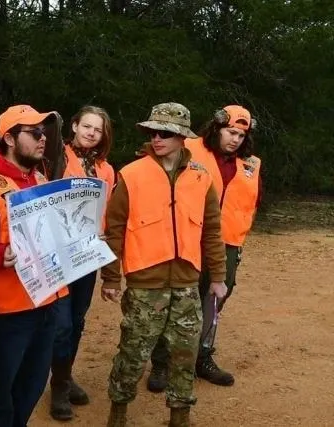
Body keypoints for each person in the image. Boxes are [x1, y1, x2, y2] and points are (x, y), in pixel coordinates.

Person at [100, 103, 228, 427]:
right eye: (152, 132)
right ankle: (118, 414)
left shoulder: (201, 177)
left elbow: (212, 230)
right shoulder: (131, 175)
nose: (157, 138)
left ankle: (180, 418)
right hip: (144, 285)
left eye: (165, 133)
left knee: (185, 354)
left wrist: (218, 277)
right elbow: (113, 230)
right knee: (132, 354)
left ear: (182, 137)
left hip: (186, 283)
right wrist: (111, 278)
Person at [0, 104, 68, 427]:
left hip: (45, 301)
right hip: (5, 312)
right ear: (8, 138)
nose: (42, 140)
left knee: (32, 386)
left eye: (44, 133)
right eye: (34, 133)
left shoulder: (38, 177)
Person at [148, 105, 262, 390]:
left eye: (240, 135)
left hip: (228, 244)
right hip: (190, 237)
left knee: (213, 303)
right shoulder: (189, 149)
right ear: (217, 127)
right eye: (230, 132)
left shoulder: (251, 164)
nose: (235, 139)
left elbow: (251, 203)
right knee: (178, 299)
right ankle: (162, 364)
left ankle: (202, 358)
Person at [49, 106, 115, 421]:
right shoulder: (55, 156)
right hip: (57, 253)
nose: (90, 132)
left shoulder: (106, 169)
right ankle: (58, 387)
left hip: (88, 254)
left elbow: (106, 211)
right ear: (74, 126)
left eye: (97, 129)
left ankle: (65, 375)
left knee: (76, 321)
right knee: (60, 325)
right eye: (86, 126)